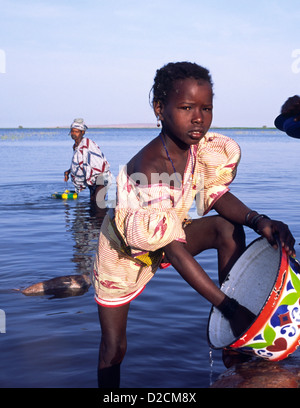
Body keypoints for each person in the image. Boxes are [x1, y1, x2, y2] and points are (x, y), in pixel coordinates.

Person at [92, 62, 296, 388]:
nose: (198, 117)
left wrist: (260, 221)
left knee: (226, 229)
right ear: (160, 109)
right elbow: (174, 246)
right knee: (115, 348)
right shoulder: (149, 168)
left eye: (206, 108)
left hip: (169, 228)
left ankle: (236, 349)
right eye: (186, 108)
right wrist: (228, 308)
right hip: (124, 258)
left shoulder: (196, 148)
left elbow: (215, 195)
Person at [64, 118, 111, 202]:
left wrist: (95, 174)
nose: (73, 134)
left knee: (98, 203)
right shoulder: (76, 146)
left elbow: (98, 162)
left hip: (100, 179)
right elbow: (80, 163)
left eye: (76, 131)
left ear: (82, 132)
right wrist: (69, 171)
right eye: (72, 131)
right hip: (91, 180)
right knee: (93, 202)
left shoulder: (88, 144)